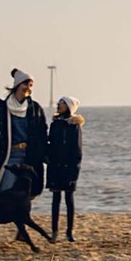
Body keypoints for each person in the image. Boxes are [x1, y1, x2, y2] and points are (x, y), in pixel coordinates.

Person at [0, 68, 48, 237]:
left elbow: (43, 133)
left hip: (30, 157)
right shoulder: (3, 108)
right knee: (2, 192)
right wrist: (1, 142)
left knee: (26, 195)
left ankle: (21, 232)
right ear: (17, 86)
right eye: (27, 84)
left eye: (31, 85)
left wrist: (42, 154)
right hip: (9, 156)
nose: (29, 88)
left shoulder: (35, 109)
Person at [46, 95, 85, 242]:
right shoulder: (55, 124)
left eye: (62, 103)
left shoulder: (74, 126)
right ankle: (54, 230)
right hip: (55, 166)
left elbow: (77, 150)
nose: (58, 105)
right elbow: (50, 143)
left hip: (69, 168)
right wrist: (48, 158)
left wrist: (74, 171)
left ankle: (69, 231)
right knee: (55, 199)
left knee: (69, 199)